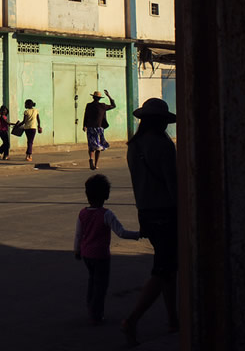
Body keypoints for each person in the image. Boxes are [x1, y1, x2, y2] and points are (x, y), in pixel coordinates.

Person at [122, 98, 178, 346]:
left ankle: (173, 318)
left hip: (145, 212)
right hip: (166, 213)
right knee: (164, 269)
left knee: (168, 267)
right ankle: (132, 319)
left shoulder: (133, 146)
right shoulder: (163, 145)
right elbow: (173, 184)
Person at [74, 174, 141, 325]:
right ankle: (96, 313)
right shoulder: (106, 214)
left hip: (86, 254)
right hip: (101, 256)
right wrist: (138, 235)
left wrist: (76, 250)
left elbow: (78, 235)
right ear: (106, 195)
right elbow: (121, 232)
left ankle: (90, 306)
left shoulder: (82, 213)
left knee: (92, 281)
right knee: (101, 285)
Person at [83, 90, 116, 170]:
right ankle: (95, 164)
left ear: (93, 97)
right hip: (99, 129)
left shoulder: (89, 105)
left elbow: (85, 115)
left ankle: (91, 160)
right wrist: (109, 96)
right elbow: (113, 105)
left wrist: (84, 125)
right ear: (99, 99)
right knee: (99, 147)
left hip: (90, 128)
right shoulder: (103, 106)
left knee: (91, 146)